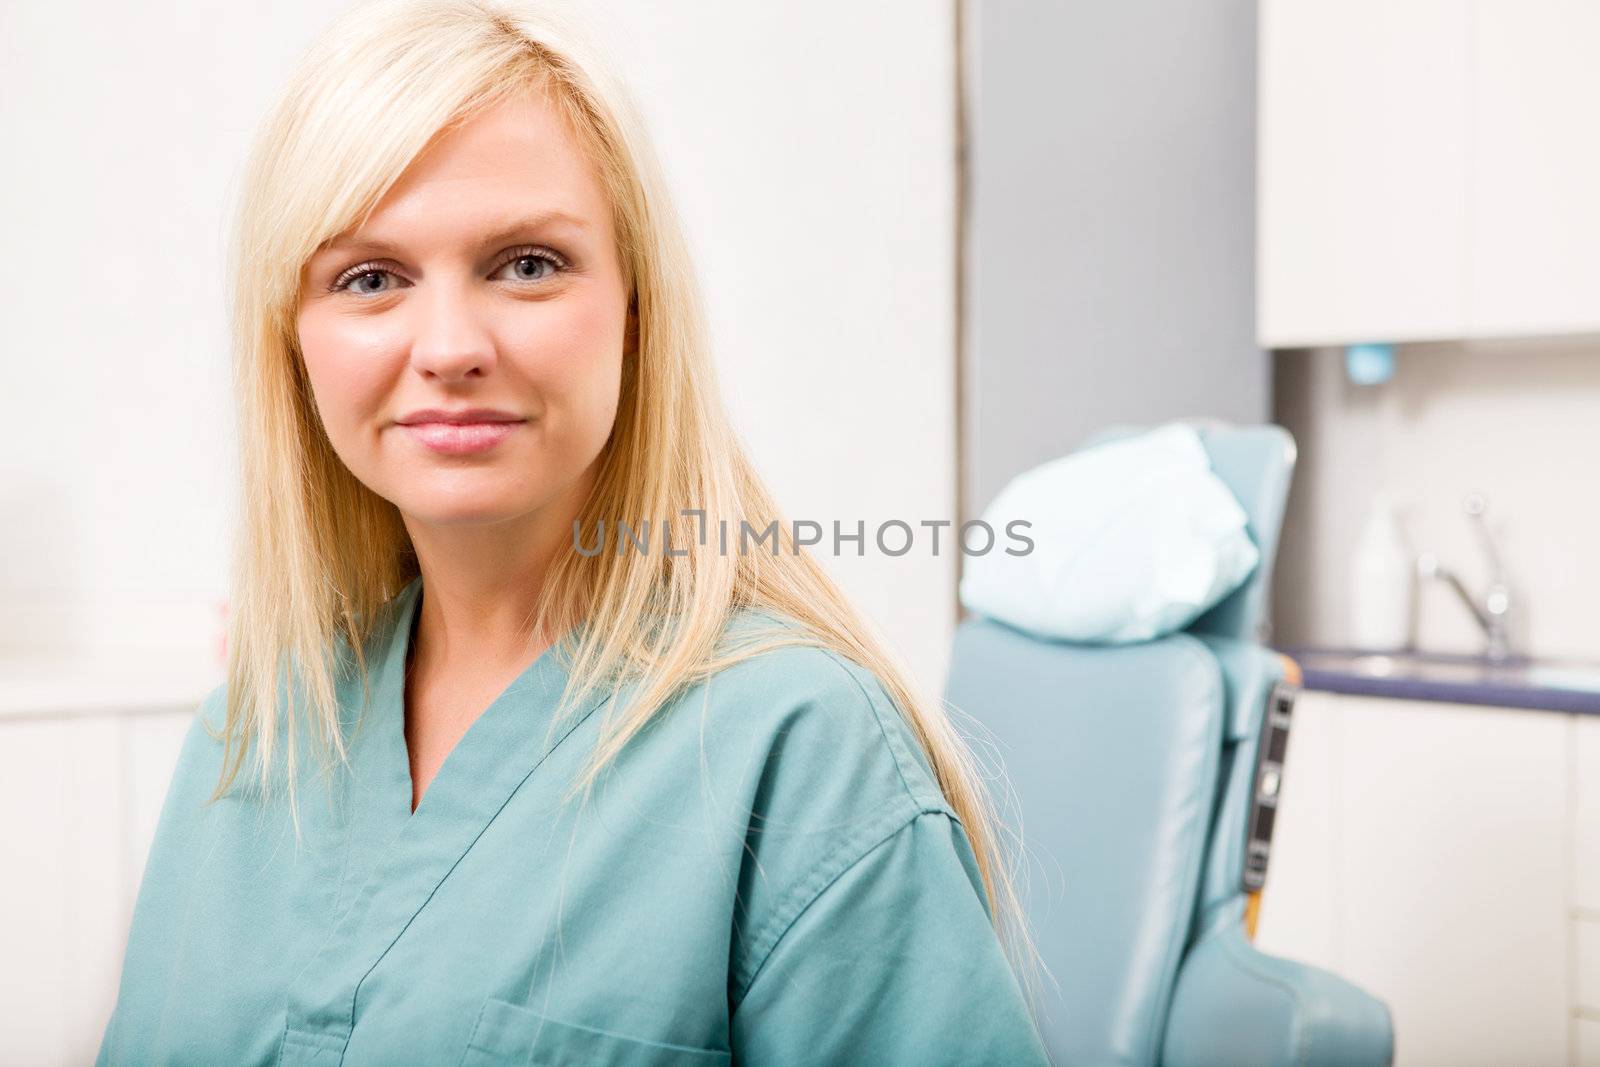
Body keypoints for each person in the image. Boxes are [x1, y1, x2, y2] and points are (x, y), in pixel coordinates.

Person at [95, 1, 1051, 1063]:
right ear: (295, 337)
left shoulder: (800, 749)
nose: (451, 344)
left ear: (637, 310)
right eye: (370, 278)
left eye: (526, 264)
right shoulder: (257, 727)